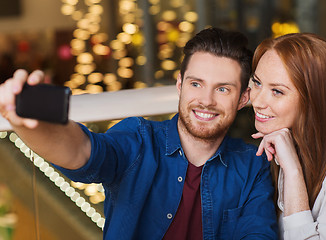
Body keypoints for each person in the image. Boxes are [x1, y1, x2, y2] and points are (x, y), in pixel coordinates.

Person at [0, 28, 277, 239]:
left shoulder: (253, 166)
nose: (206, 100)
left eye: (223, 89)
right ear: (180, 84)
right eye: (196, 83)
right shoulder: (138, 139)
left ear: (243, 98)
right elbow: (81, 153)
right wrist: (23, 120)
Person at [249, 32, 326, 239]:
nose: (257, 101)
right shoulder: (278, 141)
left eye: (277, 91)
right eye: (257, 83)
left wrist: (293, 172)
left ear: (315, 99)